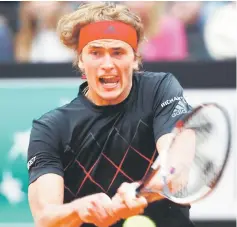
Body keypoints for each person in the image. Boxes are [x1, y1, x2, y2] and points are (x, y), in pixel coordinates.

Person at [27, 2, 194, 227]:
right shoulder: (50, 128)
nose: (108, 64)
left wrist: (141, 190)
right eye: (96, 53)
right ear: (80, 60)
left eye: (118, 52)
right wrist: (79, 209)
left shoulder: (160, 90)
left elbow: (177, 167)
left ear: (134, 59)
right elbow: (45, 218)